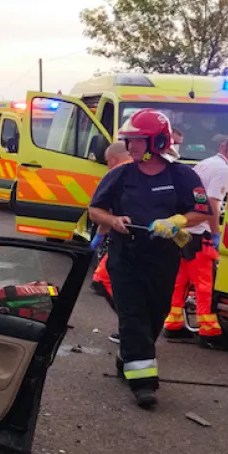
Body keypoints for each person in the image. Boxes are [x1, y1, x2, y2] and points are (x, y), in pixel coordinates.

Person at [88, 109, 213, 409]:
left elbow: (202, 210)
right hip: (126, 255)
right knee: (132, 314)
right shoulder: (119, 175)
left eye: (137, 141)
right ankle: (144, 383)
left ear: (156, 141)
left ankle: (128, 356)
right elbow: (95, 209)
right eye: (128, 141)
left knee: (154, 314)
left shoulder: (182, 175)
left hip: (163, 257)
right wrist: (113, 220)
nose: (131, 147)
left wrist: (178, 221)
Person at [163, 134, 228, 347]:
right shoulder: (223, 170)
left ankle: (173, 323)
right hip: (199, 233)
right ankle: (209, 332)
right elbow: (213, 205)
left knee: (180, 280)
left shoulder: (205, 164)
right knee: (205, 284)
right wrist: (215, 233)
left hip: (185, 231)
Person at [91, 141, 133, 343]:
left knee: (101, 281)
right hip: (149, 242)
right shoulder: (143, 173)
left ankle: (131, 327)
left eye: (108, 161)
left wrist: (99, 236)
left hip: (124, 242)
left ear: (113, 159)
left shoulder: (116, 174)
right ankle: (134, 326)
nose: (107, 165)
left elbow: (104, 211)